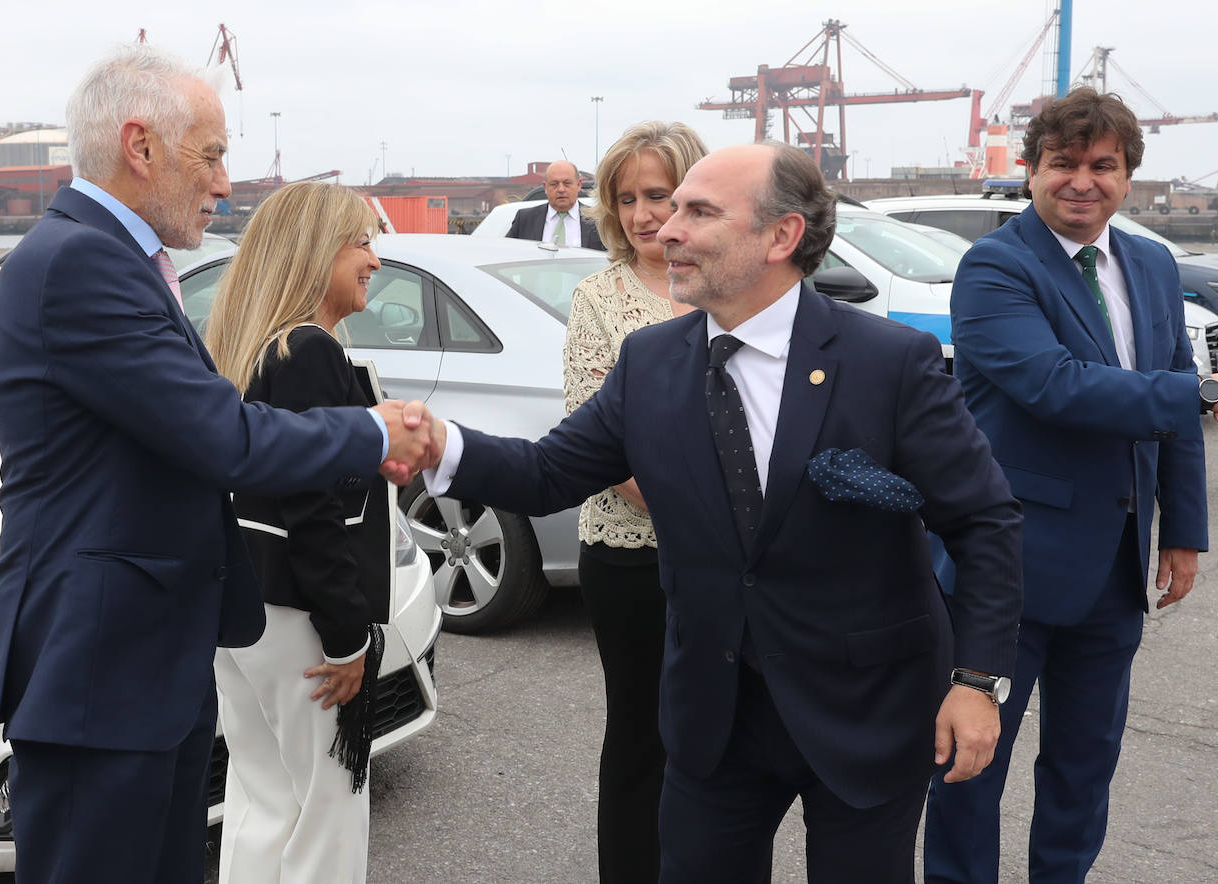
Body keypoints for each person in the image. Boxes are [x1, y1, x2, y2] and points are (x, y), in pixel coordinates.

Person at [422, 143, 1025, 882]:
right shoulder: (649, 362)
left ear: (782, 237)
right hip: (716, 716)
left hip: (867, 707)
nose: (667, 228)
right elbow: (548, 474)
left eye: (698, 211)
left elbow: (985, 521)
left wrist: (977, 682)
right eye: (674, 208)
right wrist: (434, 442)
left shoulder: (890, 362)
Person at [0, 45, 434, 884]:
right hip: (103, 674)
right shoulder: (80, 263)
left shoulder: (117, 262)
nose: (225, 183)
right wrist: (372, 433)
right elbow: (223, 438)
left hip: (145, 664)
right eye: (214, 154)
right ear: (140, 146)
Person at [923, 88, 1218, 883]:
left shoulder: (1154, 263)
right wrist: (1204, 390)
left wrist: (1185, 531)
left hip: (1115, 566)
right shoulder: (995, 267)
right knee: (970, 767)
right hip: (1005, 568)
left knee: (1083, 767)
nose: (1082, 181)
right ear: (1031, 172)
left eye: (1104, 165)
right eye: (1063, 164)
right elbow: (1055, 385)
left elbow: (1165, 412)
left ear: (1129, 176)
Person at [205, 180, 387, 883]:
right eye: (363, 240)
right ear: (318, 252)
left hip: (247, 608)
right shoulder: (309, 350)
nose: (375, 258)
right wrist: (347, 634)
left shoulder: (253, 349)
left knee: (261, 803)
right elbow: (313, 507)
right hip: (303, 617)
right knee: (327, 815)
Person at [562, 120, 706, 882]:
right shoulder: (598, 298)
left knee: (724, 742)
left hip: (735, 563)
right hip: (631, 558)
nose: (645, 214)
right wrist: (709, 520)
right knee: (641, 739)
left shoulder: (735, 286)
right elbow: (601, 444)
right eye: (627, 198)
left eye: (660, 194)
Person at [505, 159, 605, 249]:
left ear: (579, 185)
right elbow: (507, 252)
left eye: (567, 183)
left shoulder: (597, 220)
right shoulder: (525, 219)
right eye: (554, 184)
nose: (561, 189)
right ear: (545, 187)